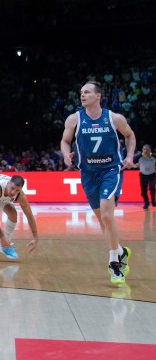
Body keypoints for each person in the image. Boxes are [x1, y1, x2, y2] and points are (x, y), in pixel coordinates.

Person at [61, 81, 136, 284]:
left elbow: (130, 136)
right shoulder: (74, 119)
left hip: (111, 171)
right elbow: (65, 140)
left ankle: (114, 262)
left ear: (98, 96)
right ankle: (120, 250)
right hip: (87, 173)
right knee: (103, 220)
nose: (82, 95)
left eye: (87, 92)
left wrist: (129, 156)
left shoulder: (114, 118)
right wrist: (65, 153)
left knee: (106, 214)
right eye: (81, 92)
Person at [137, 144, 155, 210]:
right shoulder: (138, 157)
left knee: (152, 189)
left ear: (150, 150)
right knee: (143, 191)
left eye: (147, 149)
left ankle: (153, 201)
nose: (146, 151)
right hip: (143, 176)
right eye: (144, 149)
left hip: (152, 175)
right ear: (142, 150)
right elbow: (133, 164)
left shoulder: (154, 157)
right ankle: (146, 203)